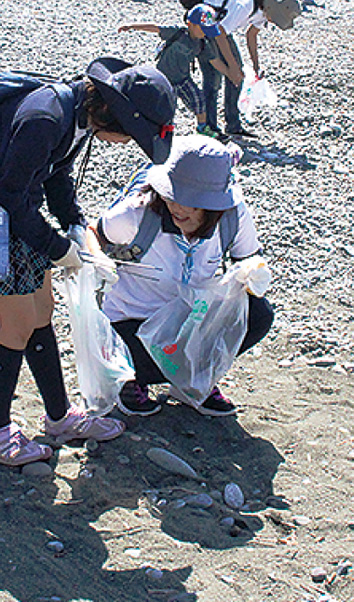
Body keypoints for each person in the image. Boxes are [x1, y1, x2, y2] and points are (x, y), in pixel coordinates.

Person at [0, 57, 176, 466]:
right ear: (114, 115)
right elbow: (7, 197)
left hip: (17, 209)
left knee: (42, 312)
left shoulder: (77, 116)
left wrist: (75, 224)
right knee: (16, 326)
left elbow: (55, 175)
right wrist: (58, 248)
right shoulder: (45, 119)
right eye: (131, 135)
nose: (128, 143)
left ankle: (58, 417)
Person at [91, 135, 273, 417]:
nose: (178, 207)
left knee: (259, 313)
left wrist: (253, 273)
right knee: (131, 355)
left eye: (192, 202)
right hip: (134, 322)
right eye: (172, 195)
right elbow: (94, 233)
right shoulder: (138, 214)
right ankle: (133, 379)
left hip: (192, 318)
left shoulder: (232, 216)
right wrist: (99, 261)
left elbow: (248, 258)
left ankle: (193, 380)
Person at [186, 0, 301, 138]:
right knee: (213, 79)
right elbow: (219, 33)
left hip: (222, 30)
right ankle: (209, 127)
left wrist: (255, 65)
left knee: (238, 77)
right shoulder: (245, 4)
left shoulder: (264, 11)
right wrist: (232, 67)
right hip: (206, 28)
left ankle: (233, 125)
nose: (274, 21)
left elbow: (251, 34)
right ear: (274, 7)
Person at [117, 15, 215, 136]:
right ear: (191, 24)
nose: (205, 32)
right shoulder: (177, 33)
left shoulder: (202, 43)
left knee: (199, 100)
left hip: (183, 79)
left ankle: (202, 128)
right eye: (203, 29)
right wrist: (132, 26)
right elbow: (155, 27)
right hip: (164, 80)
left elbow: (214, 60)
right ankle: (161, 132)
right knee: (166, 109)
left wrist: (231, 72)